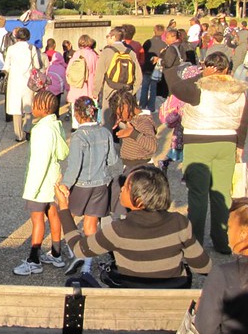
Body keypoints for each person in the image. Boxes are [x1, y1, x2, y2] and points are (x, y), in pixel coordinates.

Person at [55, 166, 211, 287]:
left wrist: (63, 208)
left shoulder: (118, 230)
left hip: (129, 299)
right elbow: (203, 267)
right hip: (172, 299)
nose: (121, 189)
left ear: (140, 199)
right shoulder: (180, 223)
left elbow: (78, 248)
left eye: (127, 187)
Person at [163, 50, 248, 254]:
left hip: (198, 140)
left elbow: (176, 86)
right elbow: (244, 120)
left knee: (198, 195)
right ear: (228, 69)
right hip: (227, 141)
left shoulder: (198, 88)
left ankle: (196, 241)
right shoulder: (238, 90)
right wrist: (239, 144)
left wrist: (200, 74)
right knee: (221, 194)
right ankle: (221, 240)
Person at [13, 91, 69, 275]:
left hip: (40, 182)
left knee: (37, 220)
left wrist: (32, 189)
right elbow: (62, 153)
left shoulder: (40, 130)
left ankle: (34, 259)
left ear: (43, 108)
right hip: (54, 178)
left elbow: (40, 161)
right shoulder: (56, 125)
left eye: (35, 104)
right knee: (54, 216)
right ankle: (56, 253)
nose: (33, 107)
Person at [62, 96, 118, 276]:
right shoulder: (105, 133)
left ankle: (75, 251)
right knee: (91, 224)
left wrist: (65, 185)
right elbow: (112, 160)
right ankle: (87, 265)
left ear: (77, 114)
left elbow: (74, 166)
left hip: (81, 184)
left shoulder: (79, 136)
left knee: (66, 216)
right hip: (100, 182)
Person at [196, 203, 248, 334]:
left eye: (230, 226)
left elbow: (206, 329)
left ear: (243, 233)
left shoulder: (222, 274)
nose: (226, 231)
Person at [92, 26, 142, 132]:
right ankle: (126, 146)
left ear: (113, 37)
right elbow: (139, 76)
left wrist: (95, 92)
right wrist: (133, 91)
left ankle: (108, 145)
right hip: (126, 91)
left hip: (109, 90)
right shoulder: (131, 53)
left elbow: (99, 74)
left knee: (107, 122)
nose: (107, 39)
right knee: (125, 121)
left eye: (108, 36)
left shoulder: (106, 52)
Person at [2, 27, 42, 142]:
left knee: (16, 109)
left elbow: (6, 66)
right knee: (28, 107)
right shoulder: (31, 48)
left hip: (14, 81)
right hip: (28, 81)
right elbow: (37, 65)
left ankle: (18, 134)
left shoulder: (11, 49)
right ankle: (27, 130)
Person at [140, 24, 167, 112]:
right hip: (157, 69)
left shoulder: (148, 42)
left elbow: (143, 54)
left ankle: (142, 105)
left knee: (144, 87)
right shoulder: (164, 44)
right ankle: (151, 106)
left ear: (154, 31)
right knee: (153, 88)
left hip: (147, 67)